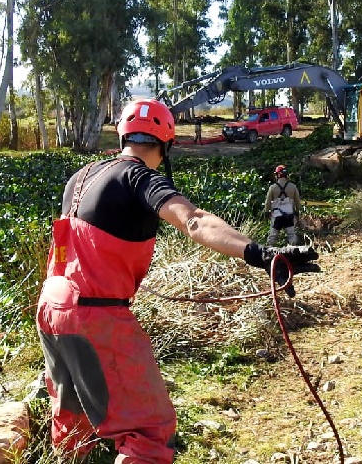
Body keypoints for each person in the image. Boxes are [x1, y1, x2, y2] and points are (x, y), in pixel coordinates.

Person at [36, 98, 318, 463]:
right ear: (166, 144)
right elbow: (194, 221)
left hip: (51, 308)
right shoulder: (140, 177)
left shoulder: (81, 176)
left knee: (72, 422)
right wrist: (259, 254)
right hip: (95, 316)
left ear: (123, 135)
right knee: (149, 433)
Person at [265, 165, 303, 245]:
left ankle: (269, 250)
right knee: (291, 235)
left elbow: (267, 202)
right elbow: (297, 202)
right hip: (289, 216)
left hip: (276, 216)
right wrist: (297, 212)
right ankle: (293, 250)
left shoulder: (272, 187)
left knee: (272, 237)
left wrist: (267, 213)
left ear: (277, 175)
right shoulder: (293, 187)